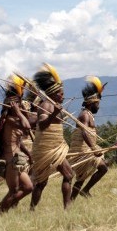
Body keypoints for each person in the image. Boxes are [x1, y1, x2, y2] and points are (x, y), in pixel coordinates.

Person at [30, 63, 74, 210]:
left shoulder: (52, 105)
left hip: (55, 147)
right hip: (48, 149)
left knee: (65, 176)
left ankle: (66, 208)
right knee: (44, 181)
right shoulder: (46, 105)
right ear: (53, 93)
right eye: (61, 93)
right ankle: (34, 208)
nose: (63, 96)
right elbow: (42, 124)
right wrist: (55, 113)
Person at [0, 74, 33, 212]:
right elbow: (27, 126)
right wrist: (19, 112)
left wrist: (28, 154)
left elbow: (19, 140)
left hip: (17, 157)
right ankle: (3, 209)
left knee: (28, 187)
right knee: (15, 190)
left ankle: (4, 207)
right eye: (17, 104)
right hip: (10, 159)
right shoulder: (9, 120)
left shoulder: (14, 119)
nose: (20, 106)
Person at [69, 76, 108, 200]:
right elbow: (84, 133)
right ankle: (84, 191)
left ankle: (71, 201)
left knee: (81, 178)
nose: (99, 106)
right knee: (102, 168)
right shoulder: (85, 115)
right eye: (97, 103)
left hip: (87, 149)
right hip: (83, 150)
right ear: (91, 103)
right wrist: (93, 148)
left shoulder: (88, 114)